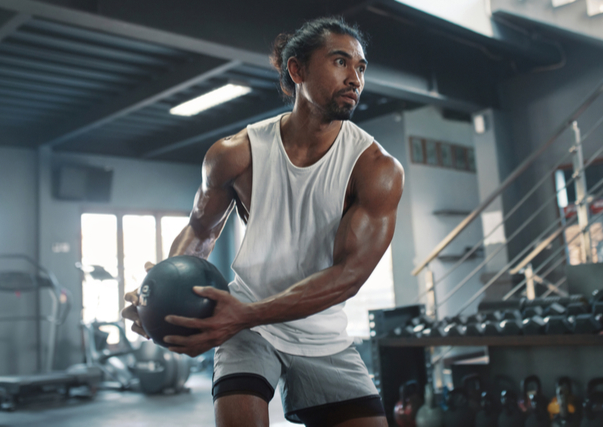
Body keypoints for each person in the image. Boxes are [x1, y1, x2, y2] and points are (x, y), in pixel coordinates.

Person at [122, 17, 403, 427]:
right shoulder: (235, 154)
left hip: (321, 332)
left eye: (360, 68)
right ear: (297, 70)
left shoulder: (376, 169)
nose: (355, 78)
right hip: (247, 328)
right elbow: (200, 233)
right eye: (341, 62)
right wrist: (161, 302)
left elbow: (349, 276)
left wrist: (244, 314)